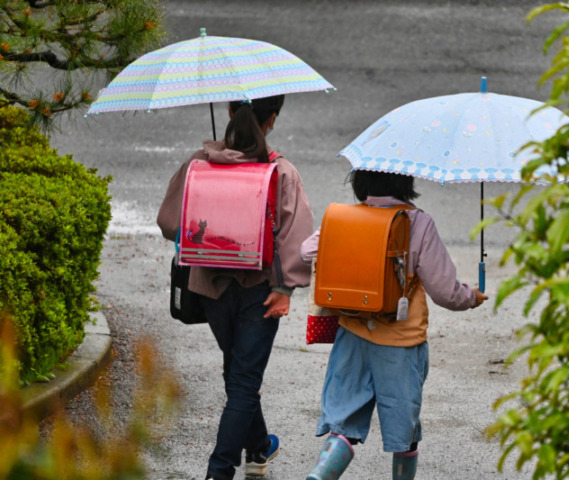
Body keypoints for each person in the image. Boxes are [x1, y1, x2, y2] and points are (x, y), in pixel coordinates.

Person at [157, 95, 313, 480]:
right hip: (260, 290)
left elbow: (168, 223)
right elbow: (297, 239)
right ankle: (219, 471)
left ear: (228, 112)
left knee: (237, 372)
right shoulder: (280, 172)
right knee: (243, 380)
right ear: (272, 119)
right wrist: (286, 288)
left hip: (209, 288)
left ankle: (259, 447)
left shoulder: (199, 164)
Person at [300, 169, 489, 480]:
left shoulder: (346, 218)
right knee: (405, 432)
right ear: (406, 183)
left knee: (343, 426)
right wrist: (472, 295)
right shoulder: (418, 223)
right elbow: (444, 291)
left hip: (352, 332)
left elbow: (307, 252)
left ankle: (321, 476)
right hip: (401, 343)